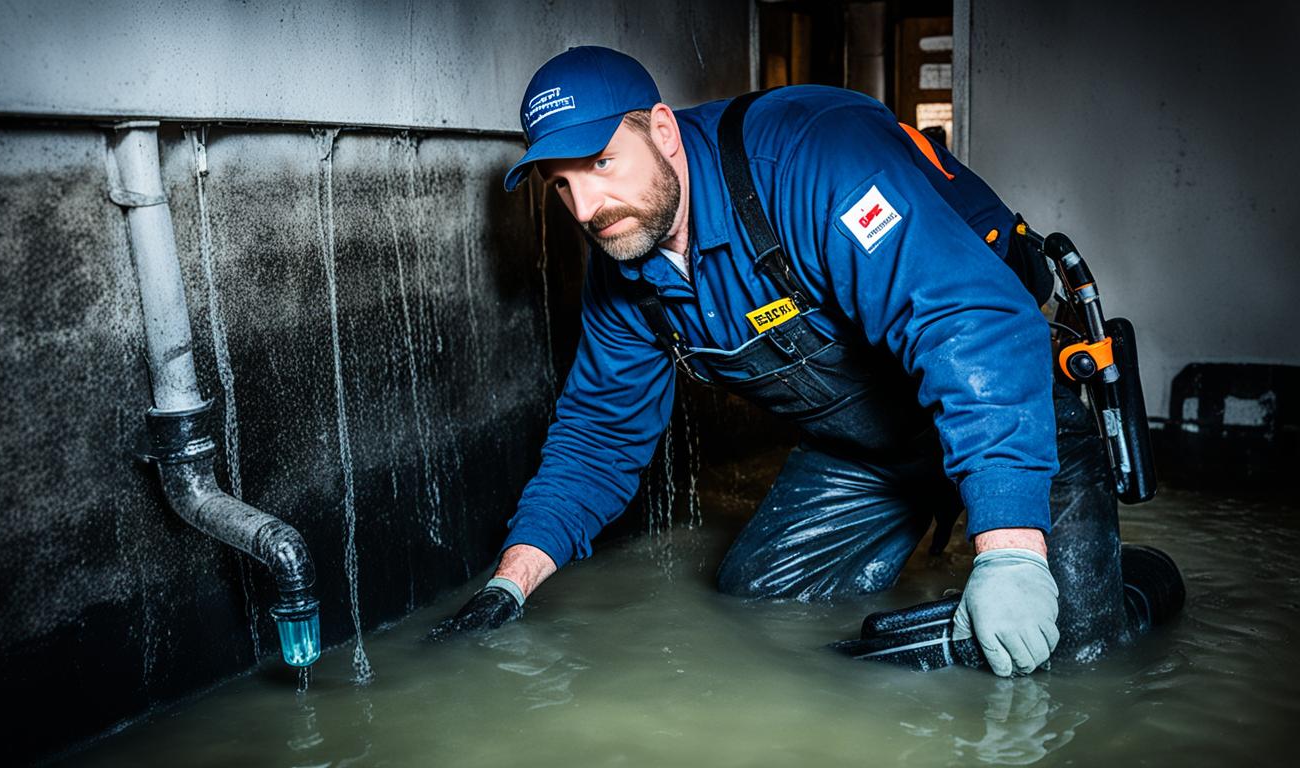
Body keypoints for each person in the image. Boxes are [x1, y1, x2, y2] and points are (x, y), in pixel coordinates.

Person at [428, 46, 1131, 676]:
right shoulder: (626, 264)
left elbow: (968, 324)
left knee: (1067, 655)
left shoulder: (813, 156)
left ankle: (1116, 581)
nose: (585, 207)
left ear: (664, 133)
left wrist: (1008, 548)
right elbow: (598, 436)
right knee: (759, 604)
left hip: (1004, 396)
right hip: (868, 450)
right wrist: (508, 584)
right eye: (560, 184)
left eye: (601, 164)